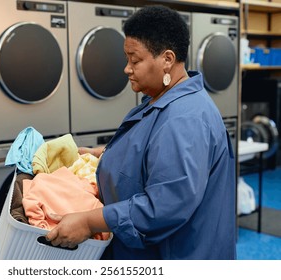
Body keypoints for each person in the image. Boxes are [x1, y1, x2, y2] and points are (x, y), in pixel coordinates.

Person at [46, 5, 236, 259]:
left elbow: (164, 205)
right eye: (127, 60)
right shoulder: (164, 98)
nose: (127, 68)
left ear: (167, 60)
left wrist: (90, 222)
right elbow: (155, 152)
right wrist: (104, 154)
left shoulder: (185, 119)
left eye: (135, 60)